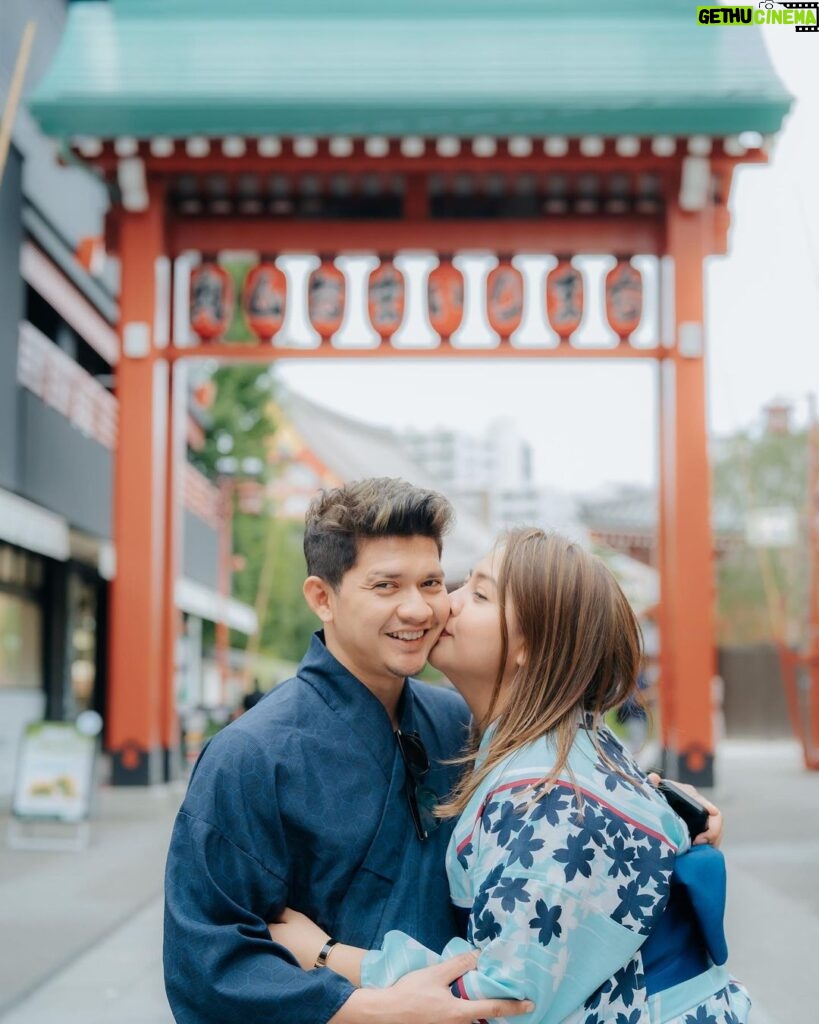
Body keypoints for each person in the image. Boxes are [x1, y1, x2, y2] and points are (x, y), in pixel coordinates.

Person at [270, 529, 747, 1024]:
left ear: (533, 645)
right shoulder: (564, 756)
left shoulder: (552, 800)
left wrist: (328, 955)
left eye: (478, 593)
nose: (444, 606)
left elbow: (505, 1002)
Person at [163, 478, 534, 1024]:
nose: (418, 609)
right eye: (386, 586)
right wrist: (377, 1009)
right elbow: (206, 962)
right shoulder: (250, 755)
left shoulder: (458, 721)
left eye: (431, 582)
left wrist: (669, 810)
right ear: (322, 597)